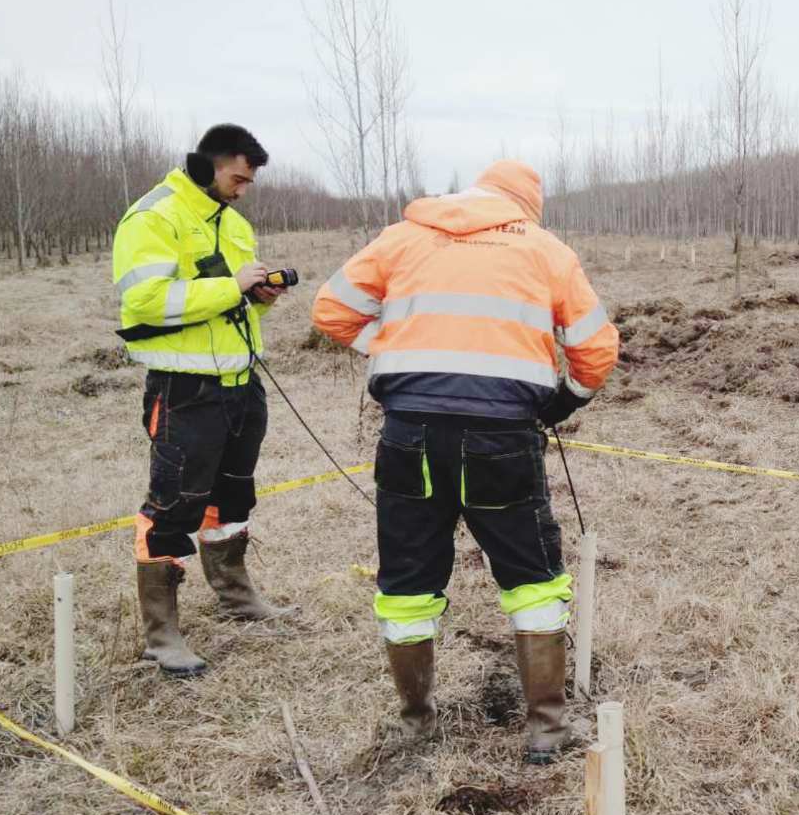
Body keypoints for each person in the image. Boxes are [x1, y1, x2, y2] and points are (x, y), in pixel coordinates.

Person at [310, 160, 618, 764]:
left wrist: (403, 350)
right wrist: (564, 400)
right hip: (502, 437)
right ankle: (547, 732)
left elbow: (331, 311)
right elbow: (597, 349)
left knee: (406, 581)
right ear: (526, 207)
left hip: (408, 434)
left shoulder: (403, 237)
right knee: (530, 576)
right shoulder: (544, 248)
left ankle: (416, 726)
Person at [112, 124, 293, 678]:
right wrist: (233, 286)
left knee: (234, 498)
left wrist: (258, 297)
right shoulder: (153, 217)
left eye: (248, 182)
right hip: (184, 388)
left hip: (242, 383)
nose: (242, 190)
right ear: (204, 165)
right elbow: (143, 301)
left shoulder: (233, 223)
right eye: (237, 177)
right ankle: (162, 638)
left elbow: (227, 305)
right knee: (173, 508)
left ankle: (236, 598)